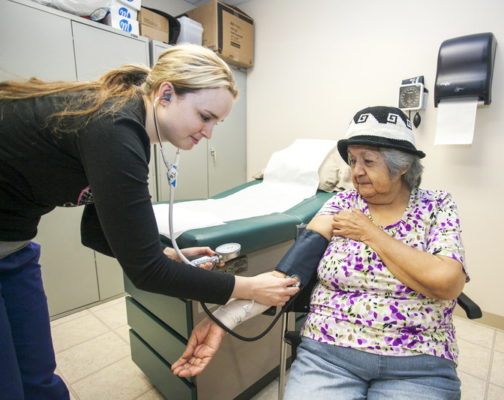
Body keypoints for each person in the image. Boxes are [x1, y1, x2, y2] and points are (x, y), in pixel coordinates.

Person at [0, 44, 299, 400]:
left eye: (216, 123)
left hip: (13, 247)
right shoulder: (114, 129)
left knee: (36, 375)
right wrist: (248, 288)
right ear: (166, 94)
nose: (208, 134)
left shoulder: (124, 130)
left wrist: (166, 255)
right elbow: (146, 272)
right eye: (205, 117)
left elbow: (95, 233)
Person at [172, 106, 468, 400]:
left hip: (418, 363)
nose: (356, 172)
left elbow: (447, 283)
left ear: (402, 165)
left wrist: (370, 233)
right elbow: (288, 274)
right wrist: (223, 319)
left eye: (368, 160)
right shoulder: (342, 203)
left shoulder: (436, 205)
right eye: (352, 160)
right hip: (329, 357)